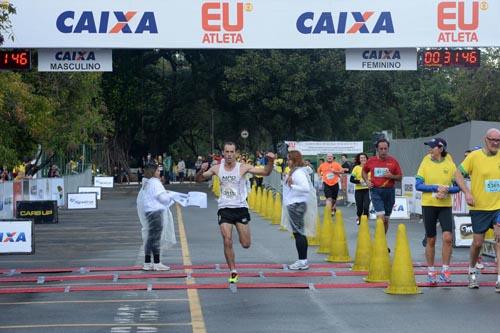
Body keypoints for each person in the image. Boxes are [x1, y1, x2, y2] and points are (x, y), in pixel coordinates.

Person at [196, 142, 275, 284]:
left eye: (232, 152)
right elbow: (199, 179)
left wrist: (271, 161)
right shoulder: (216, 168)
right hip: (224, 208)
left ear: (236, 153)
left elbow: (266, 172)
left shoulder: (243, 167)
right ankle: (233, 271)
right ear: (223, 153)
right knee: (227, 239)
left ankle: (241, 238)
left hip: (240, 208)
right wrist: (201, 170)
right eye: (227, 152)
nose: (229, 155)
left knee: (246, 244)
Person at [454, 128, 500, 292]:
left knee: (499, 239)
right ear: (485, 139)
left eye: (498, 140)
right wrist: (467, 192)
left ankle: (499, 279)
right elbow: (457, 174)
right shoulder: (474, 156)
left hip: (498, 207)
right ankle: (472, 271)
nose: (495, 143)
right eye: (492, 139)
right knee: (478, 242)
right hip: (479, 207)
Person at [415, 138, 460, 284]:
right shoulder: (425, 161)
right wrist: (435, 188)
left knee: (447, 238)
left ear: (440, 149)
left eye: (432, 147)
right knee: (431, 239)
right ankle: (431, 271)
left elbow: (458, 187)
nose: (429, 149)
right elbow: (418, 185)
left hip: (445, 206)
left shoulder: (450, 164)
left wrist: (447, 190)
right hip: (429, 205)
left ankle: (445, 270)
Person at [281, 150, 317, 270]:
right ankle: (302, 260)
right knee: (298, 233)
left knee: (299, 233)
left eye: (289, 159)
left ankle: (302, 261)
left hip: (296, 204)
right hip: (295, 204)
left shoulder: (299, 173)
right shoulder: (296, 171)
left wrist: (292, 185)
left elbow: (305, 188)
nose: (287, 161)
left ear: (294, 160)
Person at [136, 163, 176, 271]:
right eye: (158, 171)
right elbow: (162, 199)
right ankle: (157, 262)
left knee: (150, 238)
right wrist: (171, 197)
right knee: (156, 238)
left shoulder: (146, 183)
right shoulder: (155, 182)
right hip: (156, 213)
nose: (160, 172)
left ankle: (147, 262)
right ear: (153, 172)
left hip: (148, 212)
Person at [362, 138, 402, 237]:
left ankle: (381, 241)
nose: (383, 151)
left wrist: (391, 176)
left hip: (389, 192)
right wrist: (367, 181)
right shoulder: (371, 161)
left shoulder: (393, 161)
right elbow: (364, 171)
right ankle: (378, 242)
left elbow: (400, 177)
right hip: (376, 191)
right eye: (381, 149)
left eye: (385, 148)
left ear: (388, 149)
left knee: (386, 220)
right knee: (380, 217)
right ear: (377, 149)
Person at [350, 153, 370, 225]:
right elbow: (351, 179)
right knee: (359, 208)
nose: (363, 159)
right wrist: (359, 181)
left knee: (366, 206)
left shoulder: (370, 168)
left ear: (367, 158)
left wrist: (369, 181)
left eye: (364, 157)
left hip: (367, 190)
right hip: (358, 190)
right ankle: (359, 217)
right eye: (361, 158)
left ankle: (365, 221)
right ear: (359, 159)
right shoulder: (356, 168)